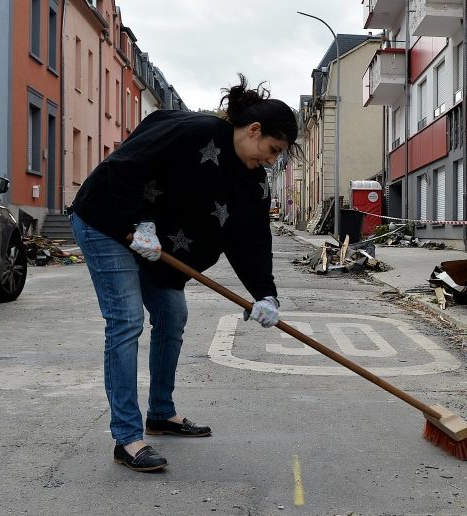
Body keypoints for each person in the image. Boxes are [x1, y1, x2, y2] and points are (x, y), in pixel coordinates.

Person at [70, 75, 303, 472]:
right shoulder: (196, 131)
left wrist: (266, 294)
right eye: (272, 149)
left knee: (172, 315)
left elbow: (251, 240)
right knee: (125, 320)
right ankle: (127, 438)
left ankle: (160, 413)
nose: (272, 160)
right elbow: (124, 166)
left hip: (156, 244)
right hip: (108, 221)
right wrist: (139, 222)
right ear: (254, 129)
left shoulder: (253, 182)